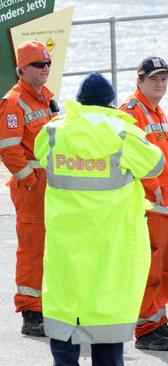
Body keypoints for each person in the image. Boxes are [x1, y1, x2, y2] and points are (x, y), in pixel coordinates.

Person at [34, 72, 164, 366]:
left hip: (65, 245)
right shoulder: (122, 133)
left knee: (65, 316)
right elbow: (155, 165)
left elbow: (40, 154)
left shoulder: (54, 132)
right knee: (106, 319)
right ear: (111, 102)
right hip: (110, 244)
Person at [120, 56, 168, 351]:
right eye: (154, 79)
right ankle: (146, 328)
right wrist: (152, 188)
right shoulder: (131, 111)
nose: (160, 84)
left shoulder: (156, 110)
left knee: (165, 269)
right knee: (149, 269)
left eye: (164, 79)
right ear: (139, 81)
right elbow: (129, 155)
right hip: (152, 206)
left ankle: (159, 322)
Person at [0, 40, 58, 337]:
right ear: (22, 69)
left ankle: (45, 304)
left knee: (51, 248)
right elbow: (9, 150)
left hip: (51, 187)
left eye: (47, 63)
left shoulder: (45, 98)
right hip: (32, 189)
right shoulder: (14, 101)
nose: (45, 69)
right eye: (38, 64)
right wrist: (31, 182)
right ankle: (30, 313)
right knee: (33, 249)